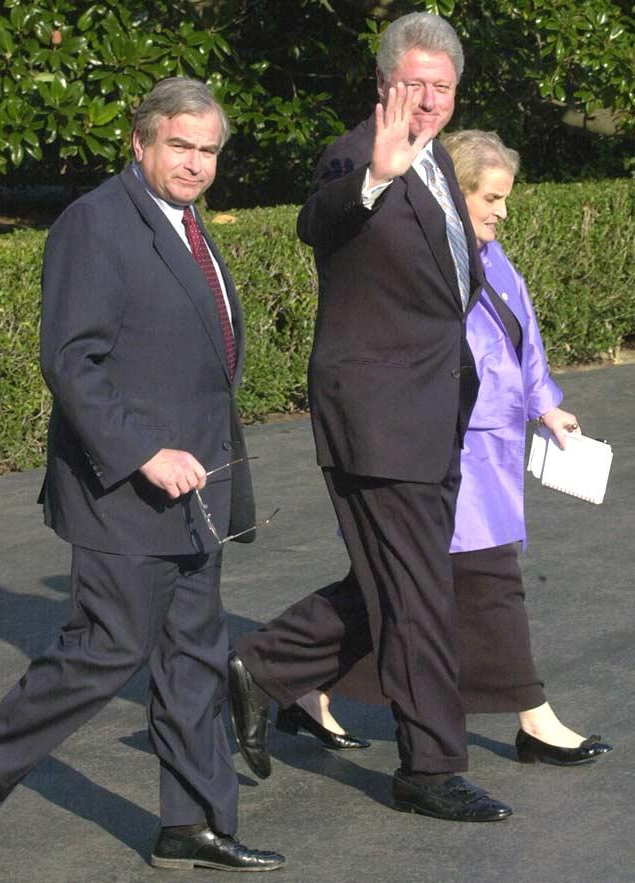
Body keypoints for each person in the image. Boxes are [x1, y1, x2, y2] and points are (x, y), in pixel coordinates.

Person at [0, 78, 284, 873]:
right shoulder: (95, 223)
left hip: (195, 488)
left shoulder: (186, 224)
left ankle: (195, 822)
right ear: (140, 143)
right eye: (181, 145)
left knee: (193, 656)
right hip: (124, 486)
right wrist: (144, 451)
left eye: (209, 150)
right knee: (107, 648)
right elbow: (72, 361)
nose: (197, 163)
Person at [229, 13, 513, 823]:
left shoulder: (436, 166)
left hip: (427, 411)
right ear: (385, 84)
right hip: (380, 414)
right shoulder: (361, 154)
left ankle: (258, 666)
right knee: (422, 591)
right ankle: (428, 767)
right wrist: (373, 179)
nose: (427, 101)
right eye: (413, 84)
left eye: (442, 88)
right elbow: (317, 220)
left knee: (397, 580)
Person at [292, 130, 613, 766]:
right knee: (486, 581)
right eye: (490, 198)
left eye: (503, 200)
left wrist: (545, 404)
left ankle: (298, 679)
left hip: (488, 444)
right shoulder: (426, 260)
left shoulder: (493, 257)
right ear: (455, 192)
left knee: (395, 586)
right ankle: (534, 717)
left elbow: (522, 338)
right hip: (448, 441)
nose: (500, 212)